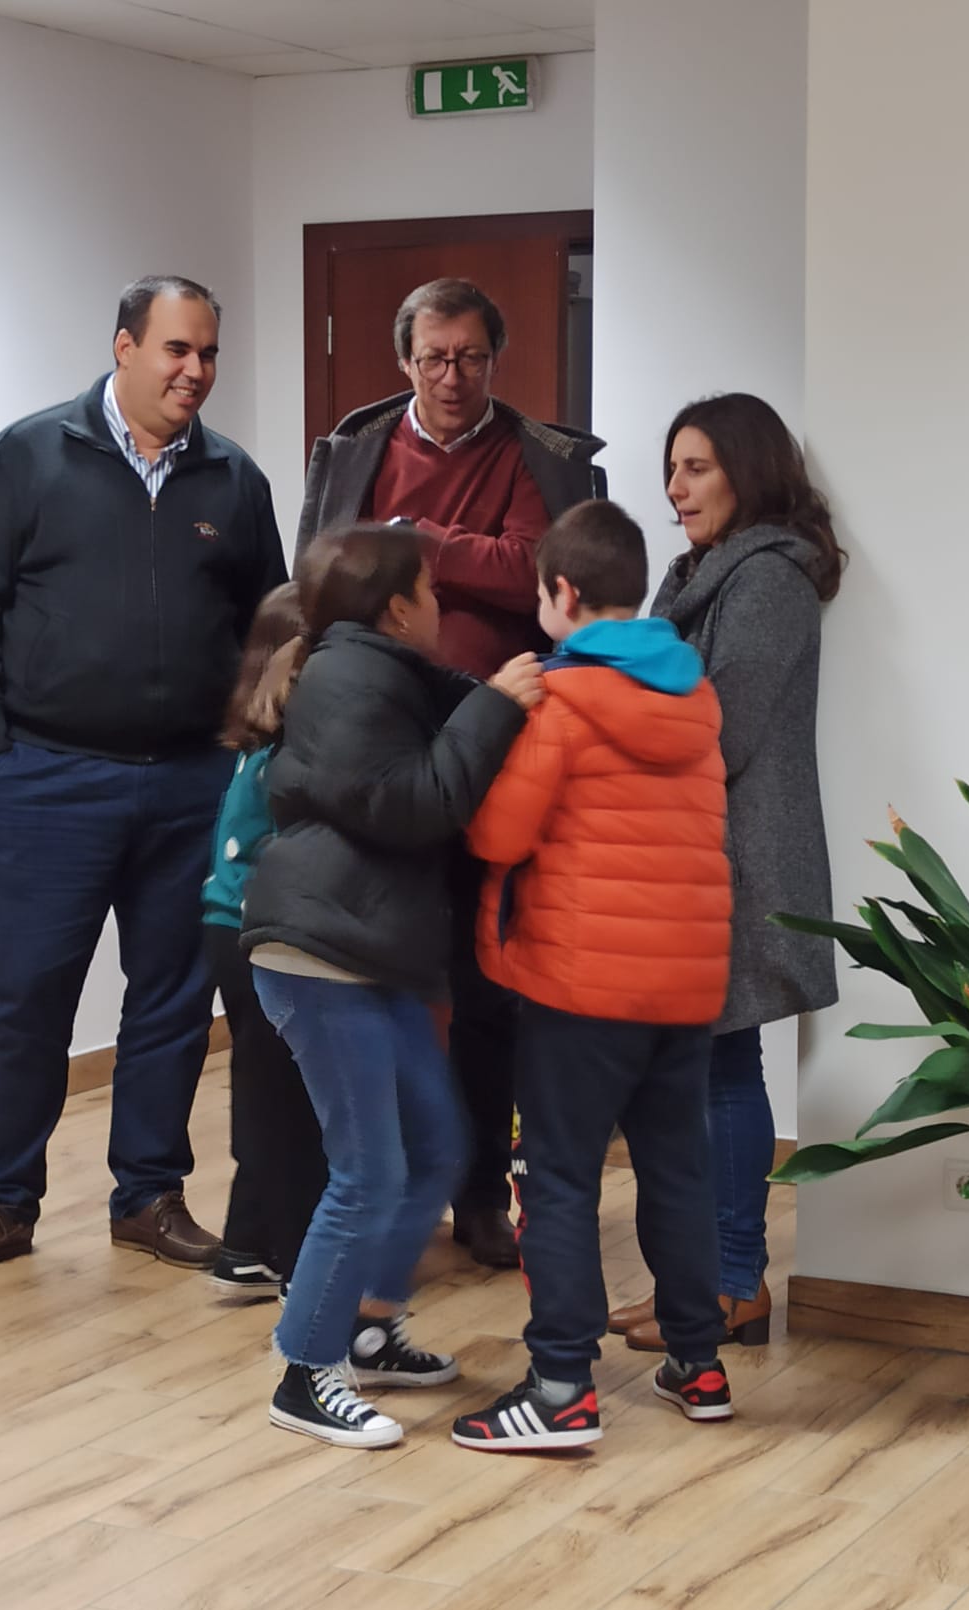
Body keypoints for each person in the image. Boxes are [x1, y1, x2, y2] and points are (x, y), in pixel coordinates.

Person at [0, 275, 287, 1280]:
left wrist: (246, 754)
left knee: (172, 999)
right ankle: (0, 1200)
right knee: (24, 999)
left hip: (190, 784)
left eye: (208, 353)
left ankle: (149, 1197)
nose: (195, 371)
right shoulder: (27, 455)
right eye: (177, 349)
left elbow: (271, 627)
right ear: (124, 347)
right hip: (47, 779)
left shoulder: (233, 478)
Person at [294, 277, 606, 1269]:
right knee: (366, 969)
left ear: (494, 359)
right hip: (375, 740)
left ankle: (477, 1193)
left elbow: (535, 570)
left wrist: (417, 543)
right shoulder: (356, 452)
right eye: (433, 357)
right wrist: (467, 555)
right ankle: (367, 1191)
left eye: (471, 357)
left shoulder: (534, 456)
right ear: (404, 360)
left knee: (484, 985)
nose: (452, 376)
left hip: (497, 751)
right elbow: (323, 576)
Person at [241, 523, 543, 1447]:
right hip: (321, 957)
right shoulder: (349, 679)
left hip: (370, 953)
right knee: (369, 1173)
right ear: (401, 608)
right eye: (434, 592)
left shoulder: (382, 672)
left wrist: (509, 695)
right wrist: (496, 708)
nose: (443, 607)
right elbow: (417, 804)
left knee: (438, 1146)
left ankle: (367, 1326)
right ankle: (305, 1371)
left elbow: (448, 723)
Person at [450, 500, 736, 1449]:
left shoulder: (560, 702)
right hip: (685, 983)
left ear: (563, 593)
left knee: (558, 1177)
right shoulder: (695, 698)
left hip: (581, 987)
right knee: (676, 1172)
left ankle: (561, 1386)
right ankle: (698, 1365)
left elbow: (499, 835)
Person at [614, 393, 844, 1353]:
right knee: (700, 1070)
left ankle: (735, 1284)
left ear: (747, 472)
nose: (675, 488)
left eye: (696, 468)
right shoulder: (698, 574)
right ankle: (699, 1283)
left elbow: (721, 725)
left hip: (743, 857)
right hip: (694, 852)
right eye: (671, 469)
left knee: (722, 1068)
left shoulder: (770, 579)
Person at [200, 582, 328, 1299]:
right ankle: (298, 1255)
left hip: (229, 929)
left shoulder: (256, 748)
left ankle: (247, 1245)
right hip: (262, 939)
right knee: (290, 1104)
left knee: (264, 1089)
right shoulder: (286, 758)